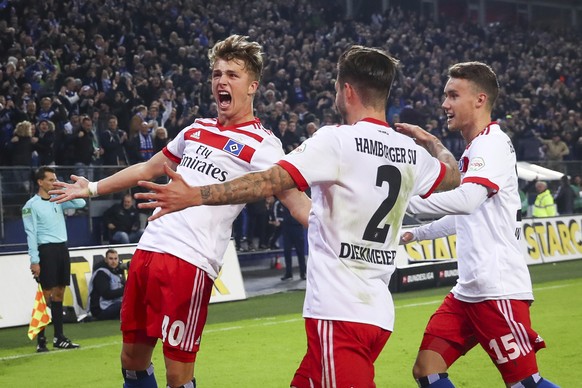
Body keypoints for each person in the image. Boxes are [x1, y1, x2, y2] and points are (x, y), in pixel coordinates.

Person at [132, 45, 460, 387]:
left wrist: (196, 194)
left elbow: (269, 180)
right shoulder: (410, 152)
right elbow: (453, 175)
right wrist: (435, 143)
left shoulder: (336, 140)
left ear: (346, 91)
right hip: (377, 311)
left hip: (339, 311)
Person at [49, 35, 311, 388]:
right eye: (217, 73)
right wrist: (92, 188)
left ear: (252, 86)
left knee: (177, 375)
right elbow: (146, 169)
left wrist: (345, 234)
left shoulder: (264, 145)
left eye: (232, 75)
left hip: (189, 262)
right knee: (131, 360)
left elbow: (297, 204)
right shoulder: (196, 129)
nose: (222, 81)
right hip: (148, 251)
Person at [400, 62, 558, 388]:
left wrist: (404, 202)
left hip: (496, 290)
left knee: (526, 383)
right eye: (445, 95)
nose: (444, 104)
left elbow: (468, 200)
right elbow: (466, 214)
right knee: (427, 370)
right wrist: (415, 233)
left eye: (453, 95)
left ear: (480, 99)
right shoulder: (476, 147)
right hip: (468, 292)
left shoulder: (492, 144)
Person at [22, 166, 86, 352]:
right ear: (40, 182)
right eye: (51, 180)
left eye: (55, 179)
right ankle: (41, 340)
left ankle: (59, 337)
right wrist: (35, 260)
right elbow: (30, 234)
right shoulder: (31, 205)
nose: (54, 182)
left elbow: (80, 203)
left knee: (59, 293)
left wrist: (64, 189)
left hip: (61, 249)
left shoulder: (58, 199)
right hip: (46, 250)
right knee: (45, 296)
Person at [89, 248, 126, 320]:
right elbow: (106, 294)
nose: (113, 261)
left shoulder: (117, 272)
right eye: (111, 259)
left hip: (112, 305)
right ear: (106, 260)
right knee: (125, 305)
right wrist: (125, 290)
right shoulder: (101, 273)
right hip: (101, 309)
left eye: (115, 259)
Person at [278, 199, 307, 281]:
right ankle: (288, 273)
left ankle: (303, 273)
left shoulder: (298, 199)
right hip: (287, 229)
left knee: (300, 252)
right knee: (287, 252)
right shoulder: (283, 201)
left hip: (297, 228)